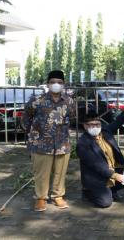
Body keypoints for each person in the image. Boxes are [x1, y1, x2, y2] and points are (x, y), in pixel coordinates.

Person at [22, 70, 75, 212]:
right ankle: (41, 198)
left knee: (60, 172)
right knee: (41, 172)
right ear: (48, 84)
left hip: (62, 143)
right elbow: (26, 118)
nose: (56, 84)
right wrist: (31, 136)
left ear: (64, 84)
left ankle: (58, 196)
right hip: (40, 144)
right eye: (53, 82)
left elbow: (72, 119)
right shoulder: (37, 100)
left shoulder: (69, 101)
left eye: (59, 82)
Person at [76, 108, 124, 208]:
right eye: (91, 125)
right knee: (105, 203)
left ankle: (112, 189)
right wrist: (115, 176)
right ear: (85, 126)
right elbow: (97, 166)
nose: (95, 127)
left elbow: (117, 122)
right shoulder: (82, 144)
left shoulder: (105, 131)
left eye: (97, 124)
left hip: (112, 169)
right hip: (97, 177)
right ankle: (88, 192)